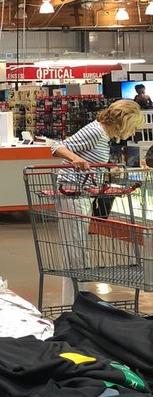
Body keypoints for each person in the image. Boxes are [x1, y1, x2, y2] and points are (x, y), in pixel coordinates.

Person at [50, 99, 145, 305]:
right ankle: (77, 305)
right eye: (134, 125)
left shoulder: (103, 135)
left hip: (80, 193)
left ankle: (78, 303)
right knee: (76, 252)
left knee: (76, 250)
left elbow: (89, 158)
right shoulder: (96, 131)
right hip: (72, 192)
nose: (134, 131)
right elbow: (56, 147)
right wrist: (75, 159)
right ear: (125, 120)